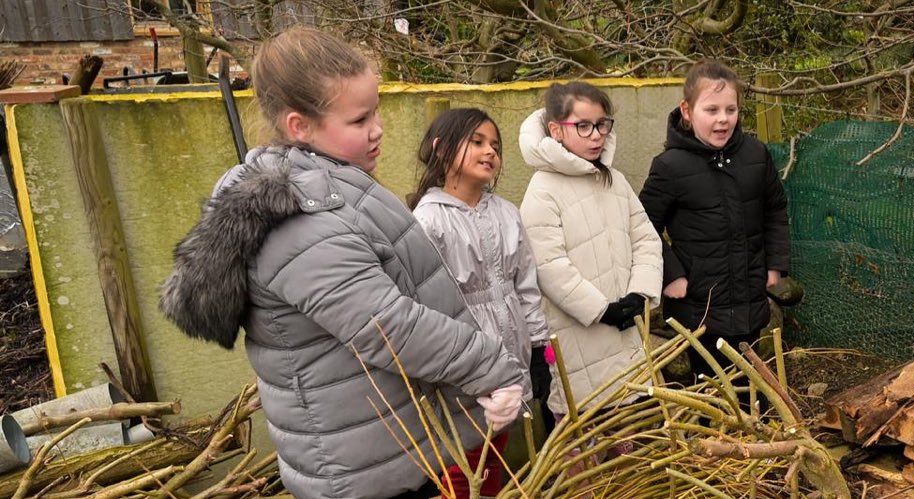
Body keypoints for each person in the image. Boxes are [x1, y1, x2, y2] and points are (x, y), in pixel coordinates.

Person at [157, 27, 526, 499]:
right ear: (299, 126)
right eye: (358, 120)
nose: (377, 128)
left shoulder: (327, 191)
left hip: (382, 444)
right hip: (364, 468)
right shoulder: (298, 221)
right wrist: (491, 368)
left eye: (376, 111)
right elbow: (387, 326)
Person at [409, 108, 551, 497]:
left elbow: (525, 287)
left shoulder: (506, 213)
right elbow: (429, 307)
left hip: (511, 356)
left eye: (495, 145)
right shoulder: (428, 221)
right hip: (460, 366)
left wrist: (540, 352)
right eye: (477, 142)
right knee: (461, 466)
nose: (490, 151)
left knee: (494, 459)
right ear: (441, 150)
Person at [517, 81, 663, 420]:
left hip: (627, 332)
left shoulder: (615, 180)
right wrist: (602, 310)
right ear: (556, 130)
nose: (596, 135)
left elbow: (645, 239)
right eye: (583, 126)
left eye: (602, 124)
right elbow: (548, 264)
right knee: (587, 443)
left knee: (630, 435)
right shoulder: (543, 189)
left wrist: (640, 293)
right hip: (580, 336)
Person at [638, 59, 790, 379]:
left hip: (749, 299)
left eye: (730, 110)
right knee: (711, 389)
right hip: (699, 306)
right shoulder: (670, 166)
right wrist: (671, 274)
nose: (723, 119)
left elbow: (775, 209)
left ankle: (753, 425)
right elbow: (641, 226)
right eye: (712, 110)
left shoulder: (755, 155)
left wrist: (775, 265)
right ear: (687, 110)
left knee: (750, 384)